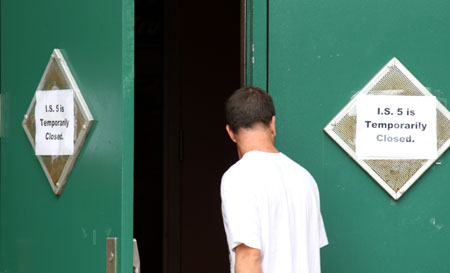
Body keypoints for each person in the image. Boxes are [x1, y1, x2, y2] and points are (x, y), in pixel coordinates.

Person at [221, 86, 328, 273]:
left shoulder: (238, 177)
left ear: (230, 132)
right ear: (273, 124)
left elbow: (249, 256)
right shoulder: (305, 179)